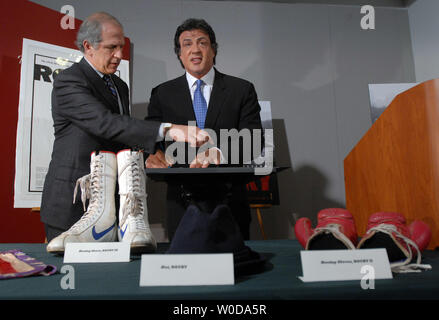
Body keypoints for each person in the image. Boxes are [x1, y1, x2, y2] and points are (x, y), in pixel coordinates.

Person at [40, 12, 210, 248]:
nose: (119, 55)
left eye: (121, 47)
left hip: (114, 206)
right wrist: (169, 130)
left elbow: (120, 134)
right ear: (88, 46)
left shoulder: (118, 85)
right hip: (74, 204)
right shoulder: (69, 81)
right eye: (112, 48)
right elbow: (104, 123)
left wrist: (148, 152)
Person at [145, 18, 263, 240]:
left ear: (213, 50)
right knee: (184, 271)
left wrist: (217, 152)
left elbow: (254, 141)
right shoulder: (162, 94)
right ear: (180, 54)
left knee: (236, 270)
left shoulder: (241, 90)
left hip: (230, 203)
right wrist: (152, 154)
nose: (195, 49)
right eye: (187, 44)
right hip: (181, 205)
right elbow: (151, 137)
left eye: (202, 42)